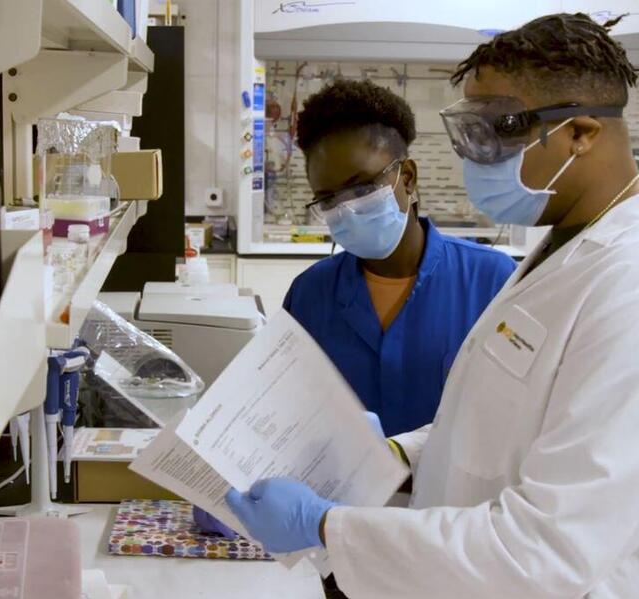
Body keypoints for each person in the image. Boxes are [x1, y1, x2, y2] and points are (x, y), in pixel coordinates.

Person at [226, 13, 639, 598]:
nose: (476, 153)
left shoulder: (627, 287)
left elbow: (546, 552)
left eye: (499, 127)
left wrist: (322, 524)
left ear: (582, 133)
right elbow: (489, 431)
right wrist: (399, 451)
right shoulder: (559, 252)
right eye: (468, 129)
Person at [282, 79, 515, 437]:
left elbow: (517, 412)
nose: (346, 209)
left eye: (361, 188)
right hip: (339, 491)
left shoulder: (491, 280)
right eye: (328, 199)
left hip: (455, 491)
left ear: (407, 178)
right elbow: (285, 408)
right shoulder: (311, 293)